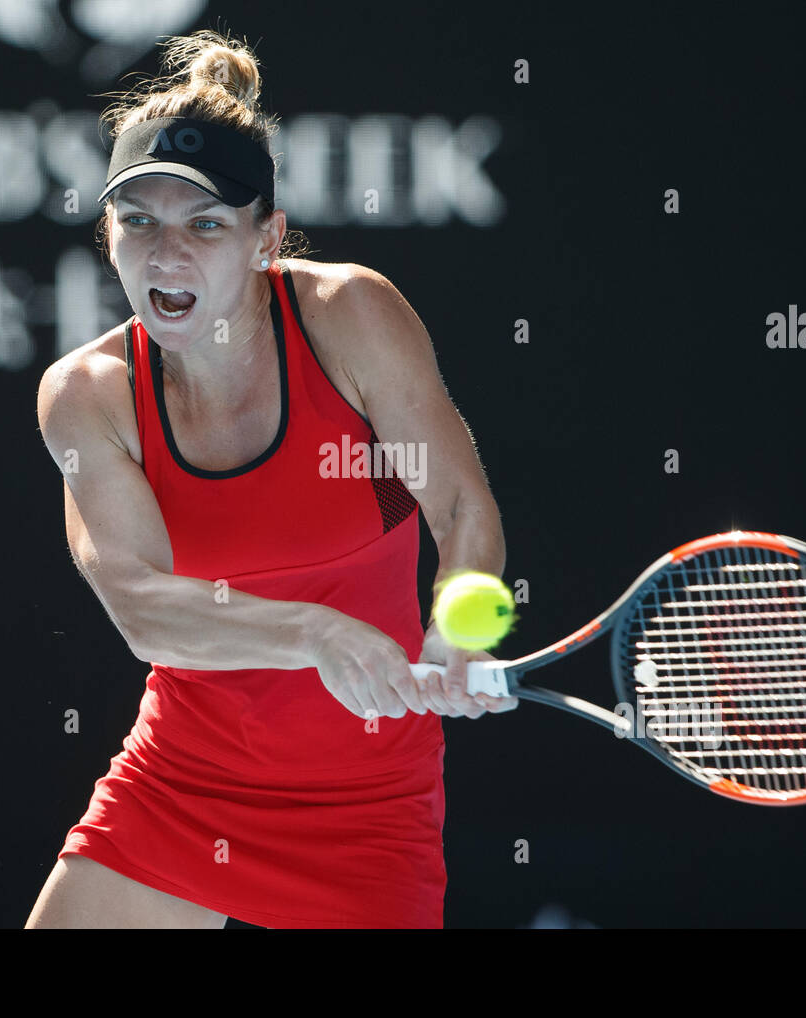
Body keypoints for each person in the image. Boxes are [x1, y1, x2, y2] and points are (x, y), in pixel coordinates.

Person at [26, 29, 514, 930]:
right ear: (107, 235)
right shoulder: (89, 396)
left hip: (369, 808)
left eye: (205, 224)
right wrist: (318, 634)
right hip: (180, 788)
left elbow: (458, 506)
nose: (167, 255)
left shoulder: (351, 317)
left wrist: (463, 618)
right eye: (139, 222)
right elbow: (140, 605)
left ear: (267, 239)